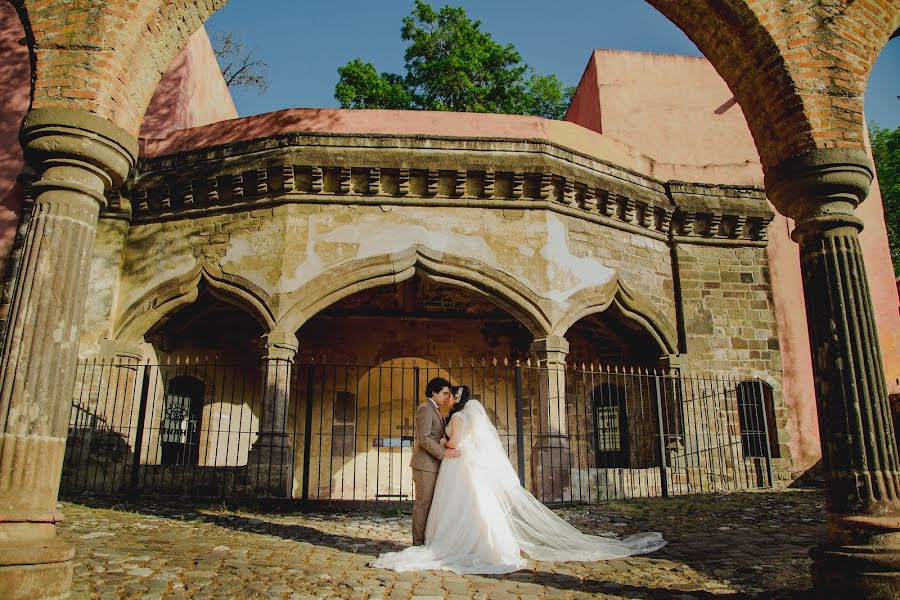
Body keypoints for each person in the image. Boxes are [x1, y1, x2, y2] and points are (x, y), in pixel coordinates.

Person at [372, 385, 667, 574]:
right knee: (474, 507)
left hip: (457, 466)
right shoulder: (453, 414)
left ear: (458, 400)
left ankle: (447, 544)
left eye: (452, 395)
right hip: (460, 467)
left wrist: (448, 446)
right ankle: (479, 544)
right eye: (446, 394)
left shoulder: (459, 419)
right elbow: (431, 438)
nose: (449, 398)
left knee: (461, 507)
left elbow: (453, 444)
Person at [409, 376, 459, 546]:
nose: (447, 397)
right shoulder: (425, 409)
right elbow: (423, 439)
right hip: (424, 465)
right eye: (444, 393)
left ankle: (427, 541)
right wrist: (444, 452)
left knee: (431, 504)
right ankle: (418, 543)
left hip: (434, 464)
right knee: (423, 504)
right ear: (434, 392)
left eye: (448, 394)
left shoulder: (435, 409)